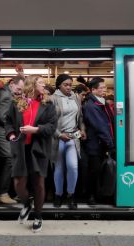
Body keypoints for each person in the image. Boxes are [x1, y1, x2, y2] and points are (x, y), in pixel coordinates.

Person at [5, 75, 57, 232]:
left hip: (38, 148)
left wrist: (36, 130)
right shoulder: (16, 103)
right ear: (32, 86)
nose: (44, 85)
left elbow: (52, 127)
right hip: (20, 147)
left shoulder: (48, 104)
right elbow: (8, 121)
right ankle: (27, 204)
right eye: (41, 83)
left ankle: (38, 215)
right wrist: (11, 134)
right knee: (19, 183)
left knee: (39, 184)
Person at [50, 74, 86, 210]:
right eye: (66, 85)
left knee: (73, 166)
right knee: (59, 168)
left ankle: (71, 195)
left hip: (73, 137)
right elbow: (49, 121)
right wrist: (59, 135)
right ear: (59, 85)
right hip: (58, 137)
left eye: (70, 84)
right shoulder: (53, 99)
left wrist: (82, 129)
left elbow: (80, 117)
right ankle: (58, 195)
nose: (69, 87)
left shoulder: (76, 98)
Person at [82, 77, 115, 205]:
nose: (104, 90)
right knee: (94, 171)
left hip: (102, 143)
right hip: (95, 144)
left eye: (104, 87)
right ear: (93, 90)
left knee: (100, 170)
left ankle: (99, 194)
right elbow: (100, 126)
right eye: (101, 88)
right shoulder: (92, 105)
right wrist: (110, 143)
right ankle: (91, 196)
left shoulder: (102, 102)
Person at [0, 76, 24, 205]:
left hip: (7, 131)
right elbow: (3, 117)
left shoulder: (9, 93)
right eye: (18, 89)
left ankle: (14, 192)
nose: (19, 92)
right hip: (3, 133)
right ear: (12, 84)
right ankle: (3, 193)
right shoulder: (6, 95)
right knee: (9, 159)